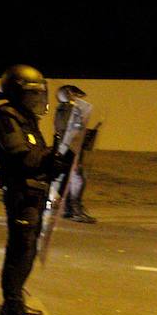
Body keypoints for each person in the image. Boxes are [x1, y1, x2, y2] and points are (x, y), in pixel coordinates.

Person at [0, 64, 72, 315]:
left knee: (28, 249)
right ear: (16, 92)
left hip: (34, 192)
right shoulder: (5, 117)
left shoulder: (25, 118)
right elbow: (21, 157)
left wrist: (59, 159)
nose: (37, 99)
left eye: (39, 94)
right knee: (20, 251)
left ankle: (15, 303)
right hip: (20, 193)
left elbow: (37, 154)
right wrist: (50, 156)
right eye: (32, 94)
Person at [54, 84, 96, 223]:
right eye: (74, 95)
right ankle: (75, 210)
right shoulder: (69, 109)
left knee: (69, 178)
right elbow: (71, 129)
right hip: (71, 148)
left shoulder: (63, 109)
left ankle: (68, 208)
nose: (77, 98)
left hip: (67, 147)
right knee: (77, 178)